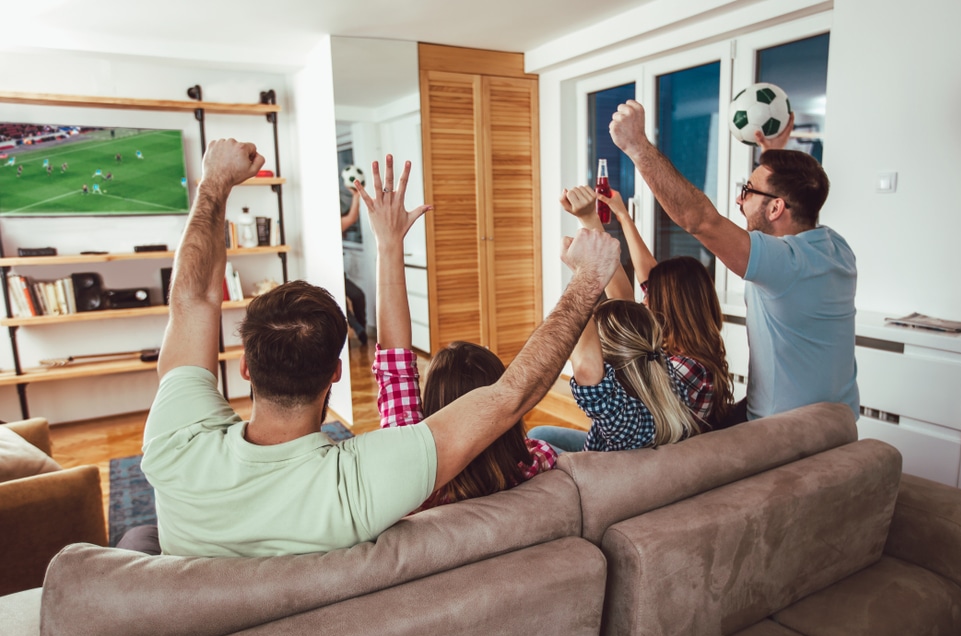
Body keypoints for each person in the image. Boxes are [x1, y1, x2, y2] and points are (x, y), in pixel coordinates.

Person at [140, 140, 621, 557]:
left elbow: (190, 297)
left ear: (245, 367)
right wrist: (589, 279)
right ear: (336, 372)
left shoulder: (174, 445)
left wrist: (214, 185)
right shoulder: (363, 482)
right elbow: (510, 395)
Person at [609, 100, 859, 421]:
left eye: (748, 190)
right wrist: (774, 153)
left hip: (787, 430)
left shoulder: (784, 264)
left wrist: (637, 146)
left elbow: (699, 220)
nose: (739, 199)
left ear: (776, 208)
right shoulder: (835, 248)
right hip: (838, 418)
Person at [366, 159, 558, 510]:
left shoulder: (412, 478)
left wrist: (387, 245)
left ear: (431, 406)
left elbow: (394, 368)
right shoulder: (538, 461)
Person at [589, 187, 735, 429]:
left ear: (670, 309)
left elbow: (622, 303)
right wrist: (622, 216)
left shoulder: (685, 368)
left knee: (543, 433)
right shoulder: (686, 353)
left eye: (649, 296)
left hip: (637, 457)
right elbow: (644, 277)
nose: (643, 300)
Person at [567, 298, 700, 451]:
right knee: (543, 432)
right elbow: (629, 320)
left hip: (596, 470)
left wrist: (580, 293)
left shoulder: (626, 421)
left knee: (540, 434)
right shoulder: (661, 366)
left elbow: (586, 367)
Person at [339, 184, 368, 344]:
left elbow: (351, 218)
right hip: (327, 279)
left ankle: (361, 330)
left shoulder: (334, 224)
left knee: (358, 295)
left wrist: (356, 197)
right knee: (340, 303)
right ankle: (357, 327)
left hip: (341, 276)